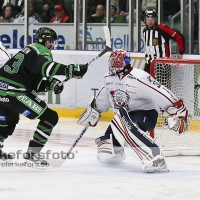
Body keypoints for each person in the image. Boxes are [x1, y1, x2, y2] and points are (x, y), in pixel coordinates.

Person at [77, 49, 188, 173]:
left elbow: (159, 91)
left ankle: (155, 155)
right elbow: (104, 97)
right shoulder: (109, 78)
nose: (114, 64)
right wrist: (95, 108)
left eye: (117, 61)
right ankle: (117, 152)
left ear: (125, 62)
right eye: (112, 60)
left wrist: (176, 108)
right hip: (124, 116)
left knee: (123, 121)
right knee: (107, 146)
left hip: (145, 114)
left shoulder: (139, 77)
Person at [0, 27, 88, 168]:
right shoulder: (42, 50)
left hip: (2, 90)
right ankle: (32, 154)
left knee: (10, 119)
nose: (52, 45)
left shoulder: (29, 49)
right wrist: (70, 70)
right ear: (45, 40)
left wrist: (52, 84)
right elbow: (47, 67)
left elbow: (34, 80)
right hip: (14, 92)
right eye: (51, 42)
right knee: (50, 117)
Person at [143, 9, 185, 74]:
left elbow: (179, 36)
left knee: (161, 84)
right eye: (148, 19)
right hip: (149, 64)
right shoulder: (145, 30)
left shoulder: (162, 29)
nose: (150, 21)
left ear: (155, 19)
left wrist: (181, 52)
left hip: (162, 65)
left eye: (152, 19)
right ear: (145, 20)